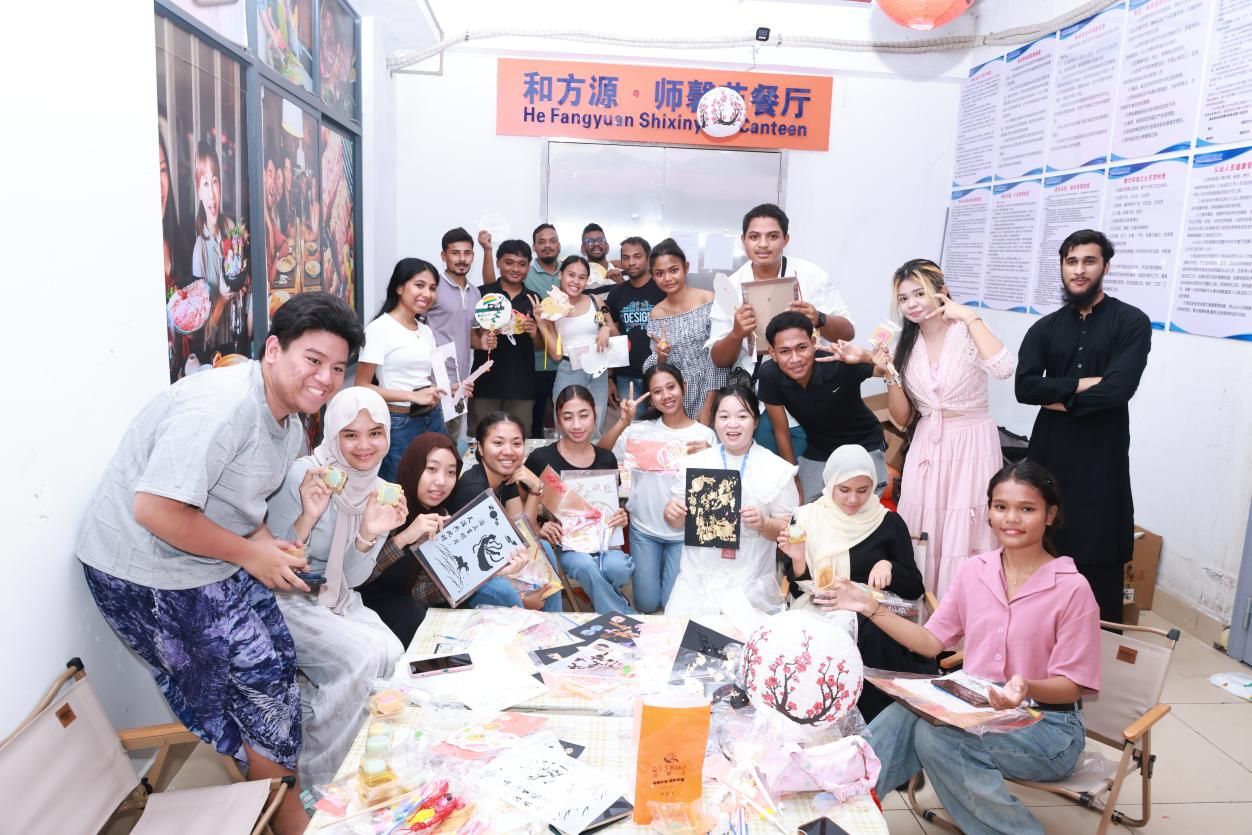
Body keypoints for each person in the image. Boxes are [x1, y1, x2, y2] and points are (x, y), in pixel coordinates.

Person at [75, 292, 364, 835]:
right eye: (313, 360)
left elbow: (239, 505)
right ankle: (285, 816)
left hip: (204, 555)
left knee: (278, 657)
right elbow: (155, 510)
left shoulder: (289, 420)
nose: (325, 379)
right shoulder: (222, 407)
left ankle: (277, 791)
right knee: (258, 680)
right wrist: (252, 554)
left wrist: (268, 546)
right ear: (273, 349)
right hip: (143, 568)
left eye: (337, 368)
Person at [820, 460, 1100, 835]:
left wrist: (1026, 687)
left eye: (1026, 509)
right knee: (908, 713)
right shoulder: (975, 571)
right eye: (1000, 507)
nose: (1011, 518)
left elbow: (1073, 685)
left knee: (937, 738)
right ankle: (841, 819)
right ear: (989, 512)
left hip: (1047, 726)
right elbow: (931, 642)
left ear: (1050, 515)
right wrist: (869, 606)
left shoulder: (1072, 587)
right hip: (977, 709)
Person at [843, 259, 1015, 596]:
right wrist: (890, 373)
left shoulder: (967, 330)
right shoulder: (903, 345)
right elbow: (904, 418)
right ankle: (922, 611)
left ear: (942, 291)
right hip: (927, 446)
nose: (912, 304)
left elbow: (1004, 367)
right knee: (924, 530)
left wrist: (969, 315)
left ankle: (967, 608)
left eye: (919, 293)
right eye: (904, 298)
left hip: (972, 442)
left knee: (968, 528)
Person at [264, 388, 407, 788]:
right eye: (351, 434)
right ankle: (321, 779)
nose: (364, 446)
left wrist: (368, 534)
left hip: (336, 596)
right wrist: (308, 518)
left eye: (375, 433)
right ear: (332, 434)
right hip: (286, 595)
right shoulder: (303, 476)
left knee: (394, 654)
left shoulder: (378, 490)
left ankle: (367, 761)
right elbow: (271, 563)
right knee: (361, 657)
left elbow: (353, 578)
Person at [1016, 229, 1151, 624]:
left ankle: (1095, 645)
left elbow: (1118, 390)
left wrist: (1057, 397)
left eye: (1089, 261)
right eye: (1071, 261)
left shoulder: (1131, 322)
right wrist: (1083, 384)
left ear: (1105, 266)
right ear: (1061, 267)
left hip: (1102, 456)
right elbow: (1025, 387)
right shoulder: (1045, 328)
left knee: (1098, 546)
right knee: (1042, 538)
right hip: (1049, 454)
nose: (1079, 270)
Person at [776, 445, 933, 721]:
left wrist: (890, 567)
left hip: (872, 613)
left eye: (863, 490)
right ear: (830, 483)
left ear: (873, 485)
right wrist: (798, 558)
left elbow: (914, 586)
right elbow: (799, 584)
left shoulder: (887, 522)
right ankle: (823, 716)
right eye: (844, 490)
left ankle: (874, 720)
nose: (853, 499)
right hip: (819, 609)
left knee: (868, 632)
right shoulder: (807, 517)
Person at [357, 431, 542, 646]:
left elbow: (421, 593)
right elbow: (360, 576)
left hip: (410, 607)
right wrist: (406, 537)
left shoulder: (444, 518)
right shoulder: (388, 505)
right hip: (365, 605)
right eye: (431, 469)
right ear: (413, 466)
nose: (441, 481)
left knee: (466, 618)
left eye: (451, 472)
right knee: (413, 613)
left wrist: (489, 571)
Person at [709, 203, 855, 454]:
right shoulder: (730, 287)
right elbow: (719, 359)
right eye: (754, 237)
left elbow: (848, 332)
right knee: (770, 470)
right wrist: (736, 333)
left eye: (773, 236)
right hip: (761, 400)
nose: (763, 244)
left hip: (816, 394)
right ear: (743, 240)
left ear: (786, 239)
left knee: (820, 468)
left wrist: (819, 318)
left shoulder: (811, 275)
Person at [663, 385, 799, 617]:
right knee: (678, 634)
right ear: (714, 421)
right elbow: (675, 521)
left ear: (755, 421)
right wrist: (672, 513)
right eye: (724, 416)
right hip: (697, 580)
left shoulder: (776, 469)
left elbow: (789, 531)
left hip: (749, 583)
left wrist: (764, 524)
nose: (732, 424)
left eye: (742, 416)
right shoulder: (695, 464)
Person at [599, 363, 715, 613]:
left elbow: (719, 489)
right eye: (657, 391)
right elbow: (599, 455)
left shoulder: (705, 435)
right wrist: (622, 422)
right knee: (647, 604)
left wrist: (714, 456)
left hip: (684, 535)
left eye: (671, 387)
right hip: (644, 530)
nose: (666, 395)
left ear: (684, 387)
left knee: (672, 606)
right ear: (650, 398)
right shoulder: (639, 430)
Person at [525, 386, 635, 614]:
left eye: (583, 415)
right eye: (568, 417)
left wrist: (621, 517)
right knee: (586, 566)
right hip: (566, 545)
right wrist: (540, 526)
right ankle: (620, 616)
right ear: (558, 419)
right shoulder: (540, 459)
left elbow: (609, 506)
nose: (576, 425)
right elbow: (521, 507)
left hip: (604, 543)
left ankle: (607, 603)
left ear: (595, 414)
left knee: (620, 568)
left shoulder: (606, 459)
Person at [758, 311, 887, 503]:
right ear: (772, 353)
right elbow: (781, 431)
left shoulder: (837, 362)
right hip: (819, 450)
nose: (795, 359)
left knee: (857, 506)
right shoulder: (769, 374)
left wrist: (865, 356)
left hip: (863, 443)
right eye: (784, 351)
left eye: (802, 347)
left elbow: (888, 369)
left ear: (813, 342)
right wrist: (792, 476)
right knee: (807, 508)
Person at [355, 258, 447, 482]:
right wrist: (412, 396)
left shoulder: (425, 330)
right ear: (399, 287)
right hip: (400, 422)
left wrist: (448, 388)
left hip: (433, 416)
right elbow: (362, 386)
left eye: (432, 288)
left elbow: (418, 378)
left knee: (435, 482)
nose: (427, 293)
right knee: (400, 486)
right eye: (419, 285)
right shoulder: (379, 329)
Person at [641, 238, 730, 424]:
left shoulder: (708, 300)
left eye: (674, 270)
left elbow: (718, 359)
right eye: (659, 273)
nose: (667, 278)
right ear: (652, 276)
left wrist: (708, 407)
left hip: (714, 392)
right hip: (676, 398)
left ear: (686, 267)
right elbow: (656, 368)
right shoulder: (656, 314)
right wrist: (661, 357)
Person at [535, 255, 616, 439]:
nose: (576, 281)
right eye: (571, 275)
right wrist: (540, 323)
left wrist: (606, 329)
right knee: (567, 428)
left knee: (595, 428)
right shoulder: (551, 308)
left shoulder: (596, 301)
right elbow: (555, 355)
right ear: (561, 275)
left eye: (582, 277)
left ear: (587, 280)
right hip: (569, 370)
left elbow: (613, 331)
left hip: (598, 371)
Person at [468, 239, 539, 434]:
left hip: (522, 386)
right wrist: (482, 338)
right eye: (509, 262)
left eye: (522, 264)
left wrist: (534, 332)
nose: (515, 269)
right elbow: (469, 335)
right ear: (498, 263)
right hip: (484, 384)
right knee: (481, 438)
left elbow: (541, 345)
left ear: (528, 267)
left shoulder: (534, 299)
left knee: (519, 439)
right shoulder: (482, 295)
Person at [426, 227, 485, 446]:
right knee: (433, 445)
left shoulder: (475, 293)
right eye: (455, 253)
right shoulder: (432, 288)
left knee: (453, 444)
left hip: (461, 382)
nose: (462, 259)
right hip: (433, 382)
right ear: (444, 256)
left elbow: (470, 337)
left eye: (467, 253)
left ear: (473, 256)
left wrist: (483, 342)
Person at [192, 139, 248, 357]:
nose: (211, 194)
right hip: (217, 356)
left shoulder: (232, 228)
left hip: (240, 340)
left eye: (214, 182)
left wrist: (242, 286)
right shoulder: (199, 252)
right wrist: (223, 299)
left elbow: (241, 280)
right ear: (198, 191)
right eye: (205, 184)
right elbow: (204, 337)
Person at [605, 237, 664, 418]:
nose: (631, 262)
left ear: (648, 258)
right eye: (626, 257)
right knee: (632, 427)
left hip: (659, 373)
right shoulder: (616, 293)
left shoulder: (662, 290)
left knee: (662, 428)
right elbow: (612, 337)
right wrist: (609, 377)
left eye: (637, 256)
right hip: (626, 376)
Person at [526, 223, 562, 438]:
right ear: (534, 247)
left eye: (552, 241)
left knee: (567, 417)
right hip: (536, 362)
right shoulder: (525, 273)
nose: (547, 245)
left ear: (559, 244)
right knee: (536, 421)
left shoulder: (569, 271)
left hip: (567, 362)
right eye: (542, 242)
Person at [580, 222, 622, 294]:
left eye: (600, 240)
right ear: (583, 249)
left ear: (607, 247)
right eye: (589, 241)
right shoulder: (579, 278)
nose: (596, 244)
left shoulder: (624, 273)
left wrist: (621, 283)